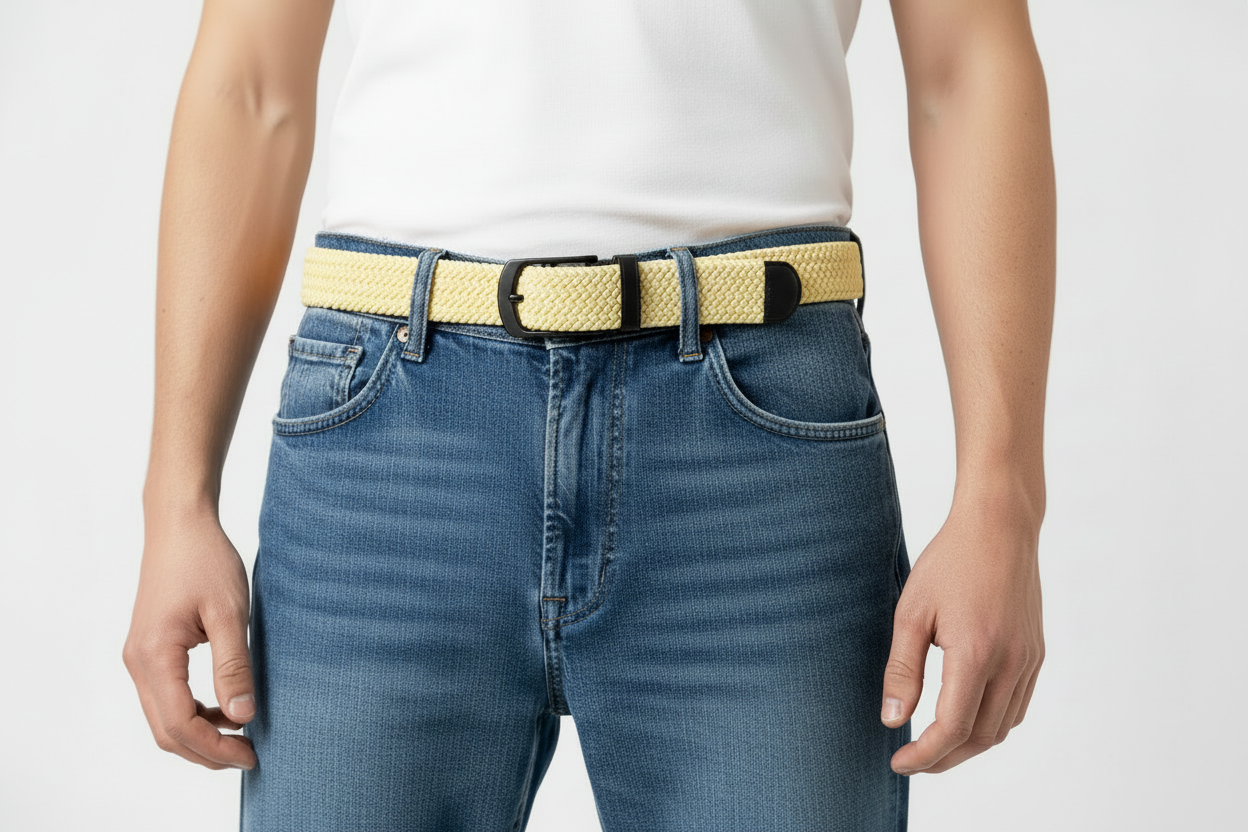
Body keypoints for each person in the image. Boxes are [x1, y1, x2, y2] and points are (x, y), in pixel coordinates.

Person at [123, 0, 1053, 829]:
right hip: (390, 445)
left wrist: (1002, 502)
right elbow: (249, 82)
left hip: (753, 446)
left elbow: (966, 64)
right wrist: (176, 502)